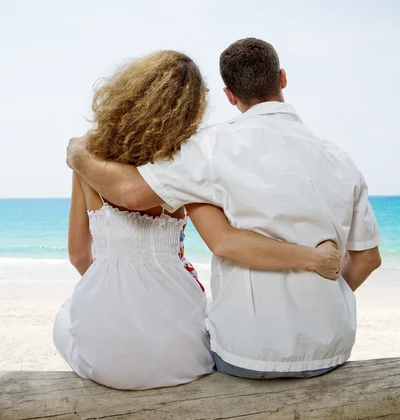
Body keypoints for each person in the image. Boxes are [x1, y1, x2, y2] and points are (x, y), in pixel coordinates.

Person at [56, 49, 341, 390]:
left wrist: (120, 294)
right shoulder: (185, 167)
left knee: (66, 316)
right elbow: (223, 240)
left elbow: (78, 256)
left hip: (107, 357)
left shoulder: (89, 165)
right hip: (183, 353)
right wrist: (313, 258)